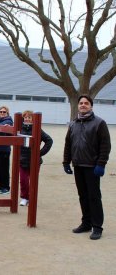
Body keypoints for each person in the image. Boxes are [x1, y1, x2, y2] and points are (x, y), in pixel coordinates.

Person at [63, 95, 111, 240]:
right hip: (78, 165)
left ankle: (97, 227)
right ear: (78, 106)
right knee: (83, 196)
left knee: (94, 197)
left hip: (92, 166)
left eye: (86, 103)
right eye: (81, 103)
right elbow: (68, 144)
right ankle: (86, 223)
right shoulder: (73, 124)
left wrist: (101, 164)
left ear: (91, 106)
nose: (83, 105)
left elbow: (105, 145)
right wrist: (66, 162)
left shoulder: (99, 123)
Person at [19, 110, 53, 206]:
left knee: (33, 181)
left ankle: (31, 198)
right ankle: (25, 197)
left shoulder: (37, 129)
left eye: (29, 117)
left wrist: (40, 153)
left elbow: (49, 140)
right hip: (22, 160)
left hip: (34, 161)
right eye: (25, 117)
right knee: (23, 180)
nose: (27, 119)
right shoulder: (19, 128)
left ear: (33, 119)